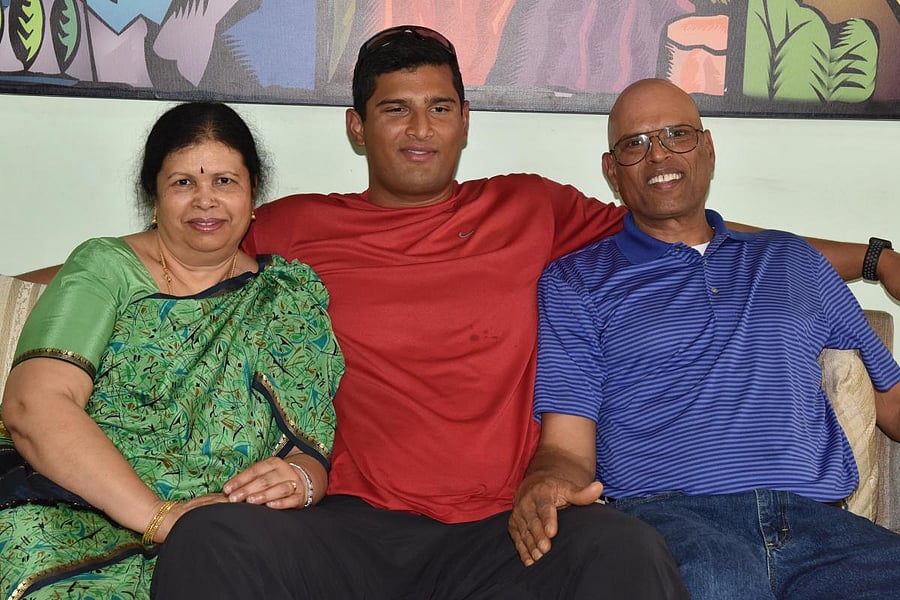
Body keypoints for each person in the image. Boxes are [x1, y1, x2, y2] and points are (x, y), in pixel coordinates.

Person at [151, 26, 690, 600]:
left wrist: (764, 247)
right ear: (357, 127)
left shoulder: (529, 206)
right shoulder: (294, 226)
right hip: (350, 528)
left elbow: (674, 230)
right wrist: (82, 273)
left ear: (465, 120)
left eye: (439, 108)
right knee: (208, 536)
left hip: (505, 530)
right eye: (395, 109)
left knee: (626, 547)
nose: (420, 129)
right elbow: (167, 257)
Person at [511, 78, 900, 599]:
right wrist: (545, 480)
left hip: (822, 529)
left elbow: (892, 402)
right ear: (612, 171)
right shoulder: (576, 281)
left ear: (708, 149)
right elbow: (566, 446)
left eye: (677, 134)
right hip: (674, 524)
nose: (659, 154)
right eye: (635, 143)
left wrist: (881, 258)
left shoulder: (793, 261)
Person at [0, 102, 344, 599]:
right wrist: (159, 517)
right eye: (184, 182)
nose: (206, 200)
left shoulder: (285, 298)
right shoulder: (106, 269)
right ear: (154, 196)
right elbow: (34, 404)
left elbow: (307, 450)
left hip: (226, 531)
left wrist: (300, 480)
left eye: (224, 181)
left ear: (252, 194)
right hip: (70, 511)